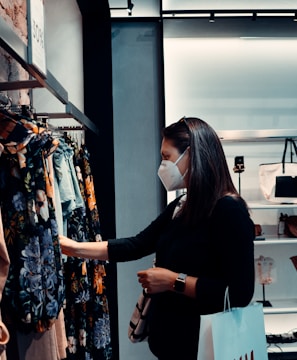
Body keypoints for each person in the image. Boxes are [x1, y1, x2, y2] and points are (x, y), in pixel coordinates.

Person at [59, 117, 255, 360]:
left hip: (206, 349)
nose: (162, 165)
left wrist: (173, 281)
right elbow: (137, 244)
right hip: (171, 345)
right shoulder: (183, 205)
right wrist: (73, 247)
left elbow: (240, 293)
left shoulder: (228, 210)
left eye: (167, 156)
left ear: (191, 155)